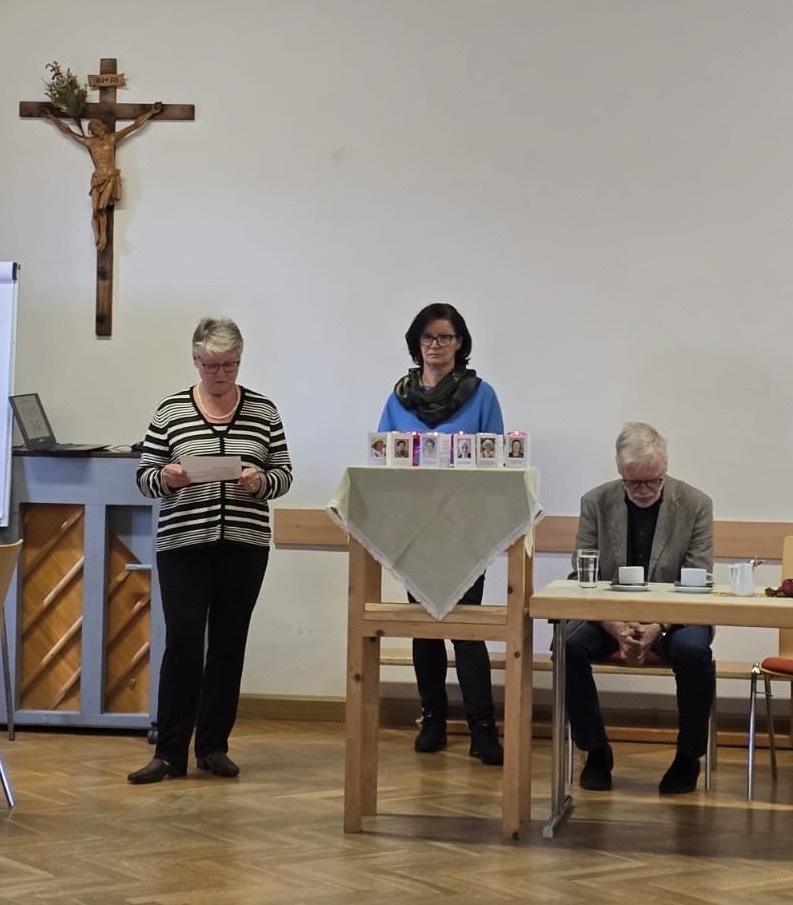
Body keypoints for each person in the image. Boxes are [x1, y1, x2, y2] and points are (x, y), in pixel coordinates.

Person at [127, 317, 293, 784]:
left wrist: (260, 481)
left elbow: (283, 473)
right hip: (183, 545)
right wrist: (167, 477)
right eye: (211, 365)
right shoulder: (171, 411)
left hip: (244, 545)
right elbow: (144, 477)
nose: (221, 374)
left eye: (230, 365)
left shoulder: (263, 411)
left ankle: (214, 746)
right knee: (182, 643)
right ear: (195, 360)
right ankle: (168, 753)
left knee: (228, 642)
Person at [378, 302, 505, 765]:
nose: (436, 345)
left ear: (460, 343)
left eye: (445, 337)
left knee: (466, 628)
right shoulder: (398, 398)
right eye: (428, 337)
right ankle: (431, 718)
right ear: (417, 343)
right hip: (416, 530)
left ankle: (482, 728)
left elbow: (498, 461)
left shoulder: (482, 395)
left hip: (466, 529)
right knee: (425, 626)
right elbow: (382, 460)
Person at [566, 422, 714, 795]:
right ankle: (595, 750)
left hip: (676, 618)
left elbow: (697, 578)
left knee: (694, 651)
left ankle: (688, 757)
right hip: (606, 614)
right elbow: (582, 574)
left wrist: (658, 625)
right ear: (620, 472)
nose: (644, 490)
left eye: (653, 481)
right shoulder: (595, 502)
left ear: (665, 467)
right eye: (633, 483)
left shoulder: (696, 504)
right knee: (567, 645)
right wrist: (615, 625)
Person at [44, 103, 163, 251]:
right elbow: (68, 132)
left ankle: (104, 236)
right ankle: (97, 236)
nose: (97, 131)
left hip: (110, 177)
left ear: (103, 127)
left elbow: (134, 126)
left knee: (101, 208)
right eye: (93, 130)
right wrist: (52, 118)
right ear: (91, 132)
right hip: (97, 178)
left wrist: (151, 112)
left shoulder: (112, 138)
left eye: (98, 127)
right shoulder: (90, 142)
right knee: (95, 211)